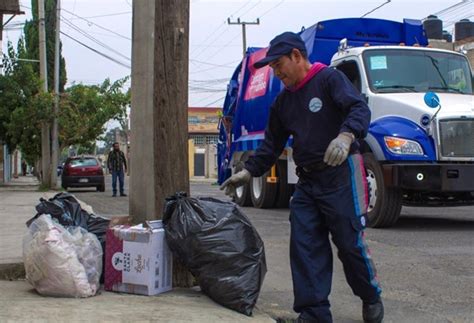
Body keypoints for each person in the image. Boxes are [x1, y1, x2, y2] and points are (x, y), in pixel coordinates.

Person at [220, 32, 383, 323]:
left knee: (349, 244)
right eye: (271, 67)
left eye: (279, 64)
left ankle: (370, 296)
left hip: (341, 175)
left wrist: (346, 136)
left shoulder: (329, 79)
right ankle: (314, 314)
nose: (276, 71)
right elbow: (272, 145)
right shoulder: (283, 103)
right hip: (308, 183)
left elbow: (359, 107)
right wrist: (248, 172)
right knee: (305, 246)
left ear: (297, 56)